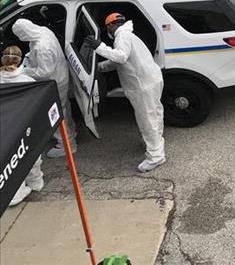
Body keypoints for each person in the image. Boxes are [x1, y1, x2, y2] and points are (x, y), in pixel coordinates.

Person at [85, 13, 165, 173]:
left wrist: (99, 46)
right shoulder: (129, 35)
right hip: (152, 79)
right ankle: (156, 142)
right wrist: (99, 67)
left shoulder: (122, 36)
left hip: (142, 84)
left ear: (110, 26)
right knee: (155, 113)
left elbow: (120, 57)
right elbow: (120, 61)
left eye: (107, 27)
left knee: (146, 119)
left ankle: (156, 156)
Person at [12, 19, 77, 158]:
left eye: (20, 35)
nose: (20, 38)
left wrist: (23, 71)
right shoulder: (42, 31)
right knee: (64, 107)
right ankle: (70, 136)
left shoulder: (42, 47)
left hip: (54, 81)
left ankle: (67, 145)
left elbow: (44, 72)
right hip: (59, 75)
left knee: (56, 112)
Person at [1, 46, 45, 206]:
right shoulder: (27, 81)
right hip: (25, 124)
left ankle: (15, 191)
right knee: (32, 154)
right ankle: (35, 183)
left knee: (11, 158)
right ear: (20, 61)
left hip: (5, 126)